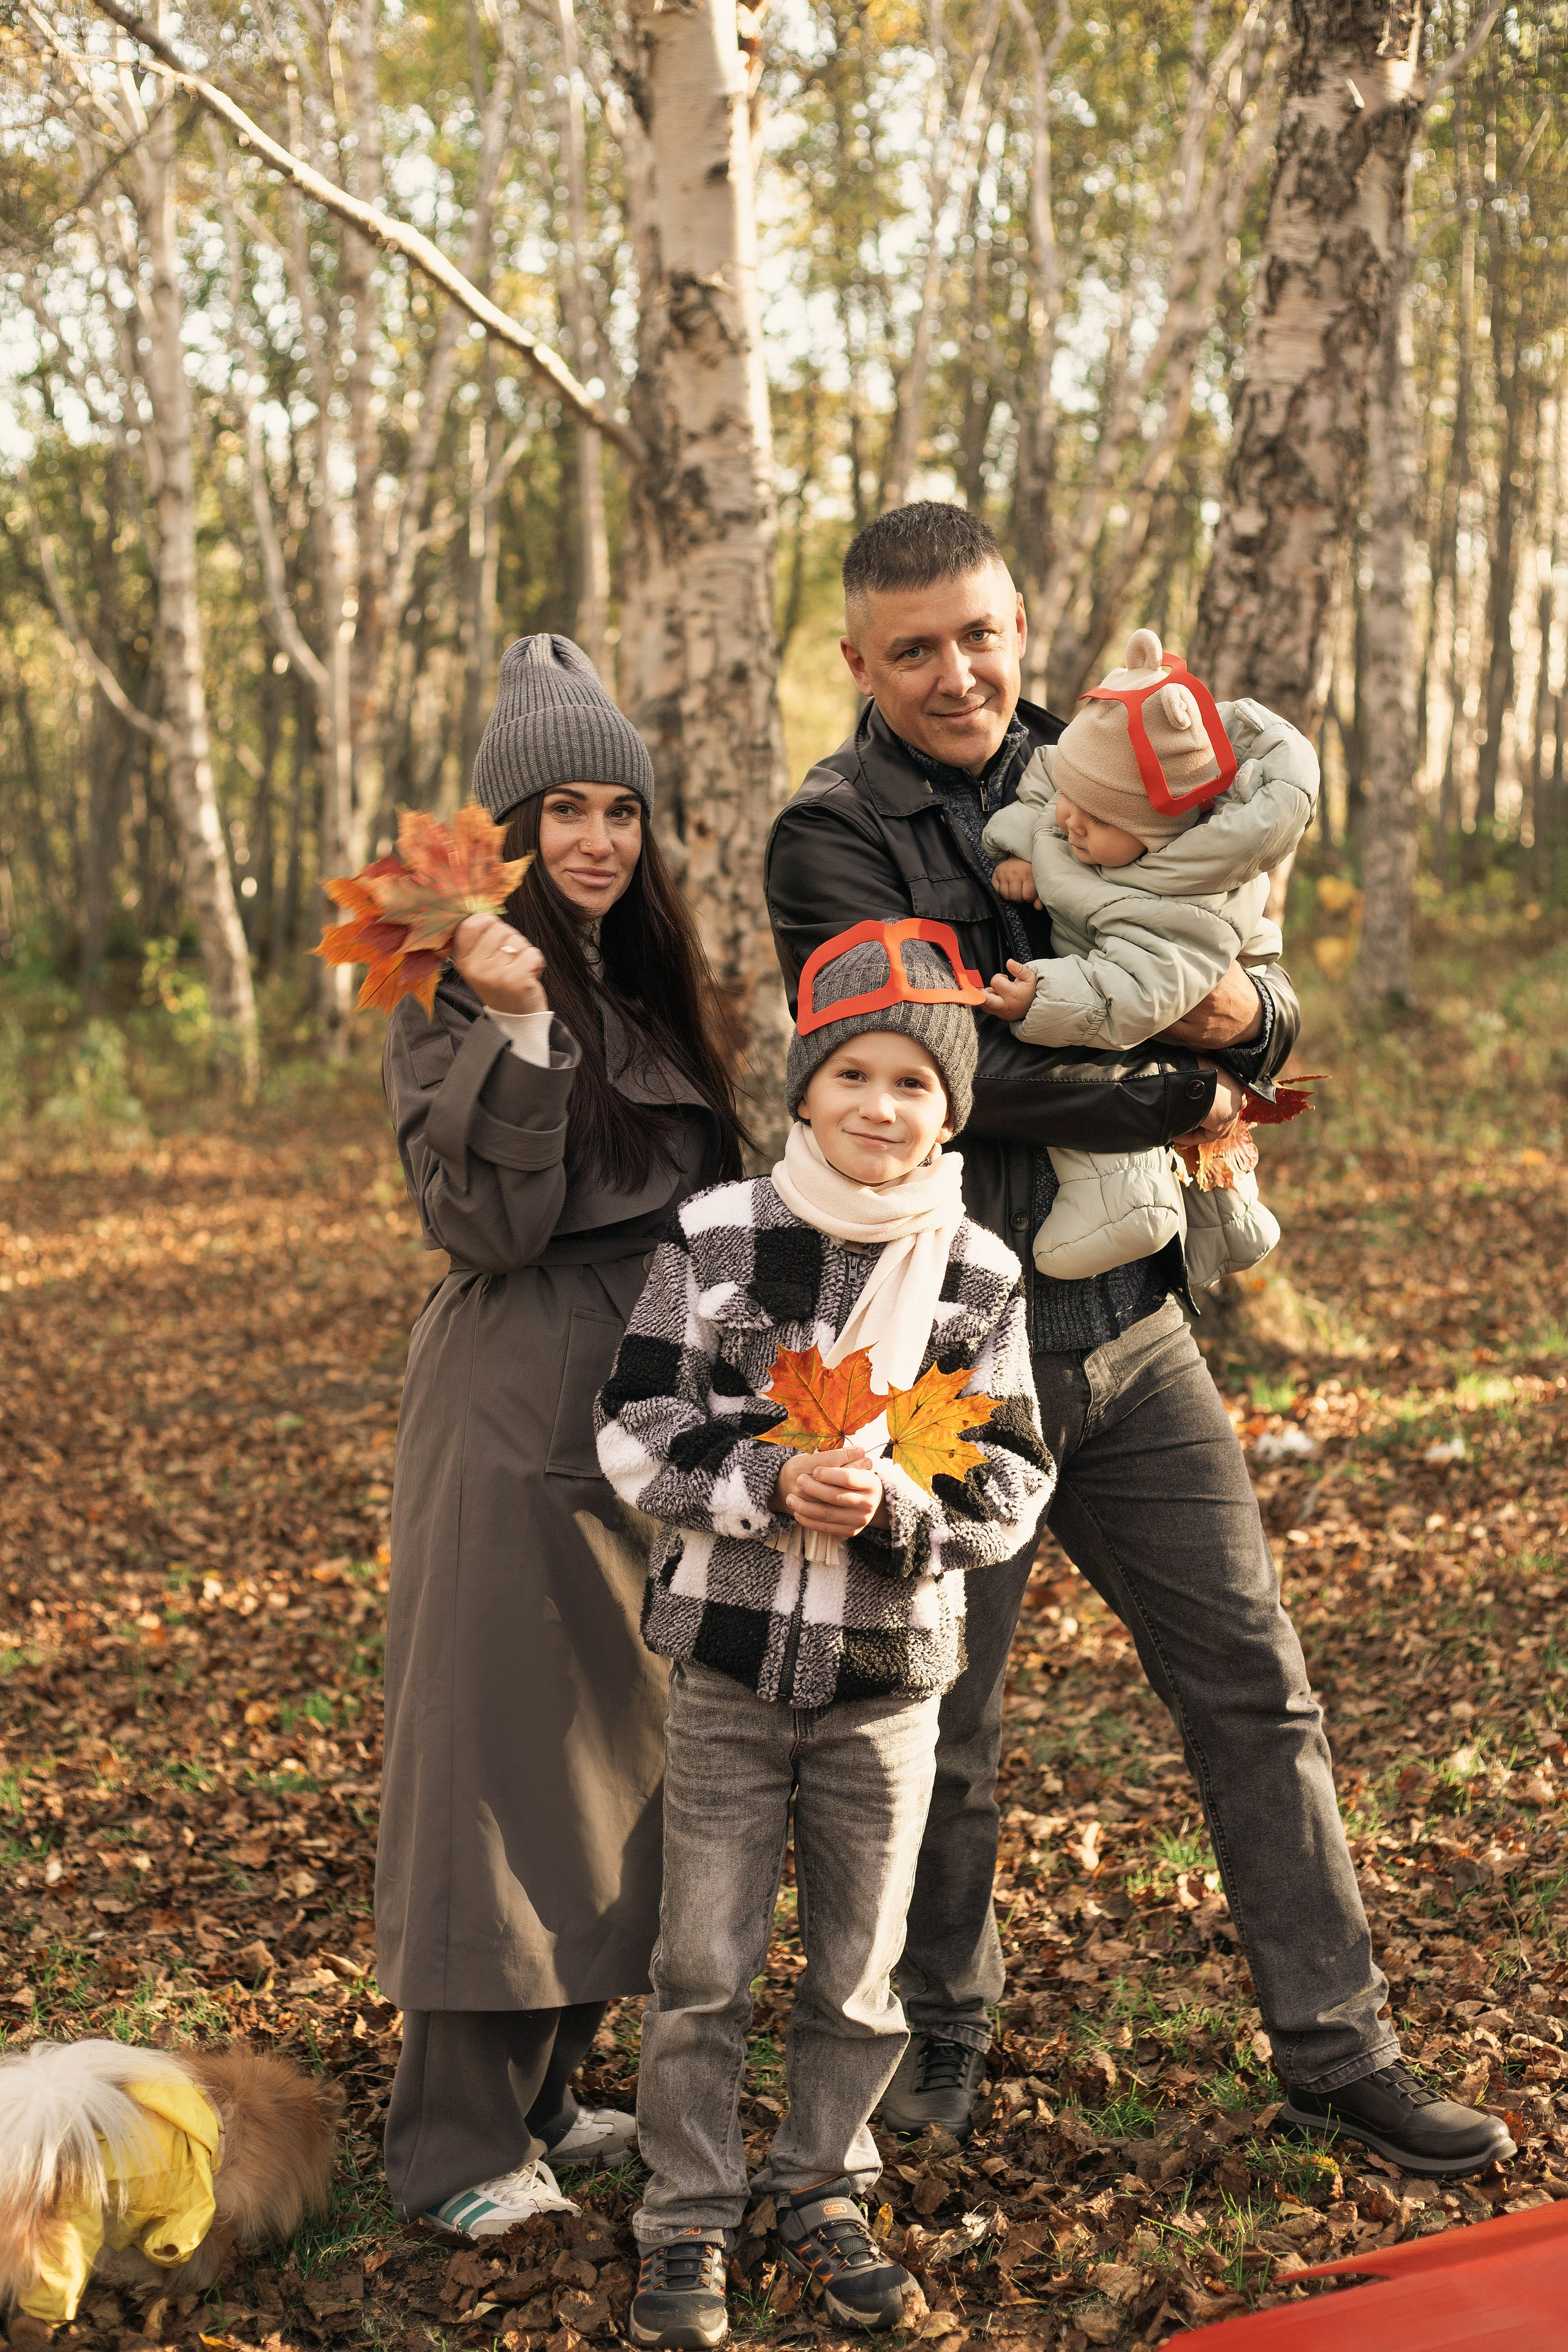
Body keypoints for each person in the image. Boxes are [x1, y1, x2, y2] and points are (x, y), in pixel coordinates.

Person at [763, 503, 1513, 2180]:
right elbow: (933, 1066)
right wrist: (1187, 1078)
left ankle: (1339, 2051)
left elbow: (1256, 965)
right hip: (944, 1352)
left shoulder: (1107, 766)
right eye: (914, 649)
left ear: (1020, 624)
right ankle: (935, 2046)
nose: (957, 676)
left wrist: (1254, 1021)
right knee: (938, 1723)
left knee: (1259, 1690)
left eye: (981, 634)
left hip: (1133, 1326)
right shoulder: (830, 836)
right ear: (857, 662)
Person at [594, 927, 1054, 2350]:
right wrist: (763, 1480)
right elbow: (633, 1422)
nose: (877, 1103)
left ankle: (823, 2181)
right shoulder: (719, 1233)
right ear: (803, 1088)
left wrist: (904, 1507)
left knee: (858, 1964)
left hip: (883, 1683)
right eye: (848, 1071)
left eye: (911, 1081)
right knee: (704, 1960)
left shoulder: (976, 1272)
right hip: (727, 1669)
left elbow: (1014, 1473)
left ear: (948, 1109)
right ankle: (685, 2206)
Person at [376, 633, 749, 2237]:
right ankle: (455, 2146)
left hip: (648, 1410)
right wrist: (521, 1030)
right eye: (558, 811)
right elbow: (490, 1224)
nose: (594, 840)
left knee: (623, 1766)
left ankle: (544, 2095)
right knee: (500, 1767)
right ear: (503, 832)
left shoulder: (638, 975)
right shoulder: (460, 979)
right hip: (520, 1397)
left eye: (620, 809)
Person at [978, 625, 1318, 1293]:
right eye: (1070, 808)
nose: (1070, 824)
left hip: (1142, 1001)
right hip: (1171, 1043)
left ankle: (1127, 1199)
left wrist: (1040, 997)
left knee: (1099, 1060)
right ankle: (1228, 1217)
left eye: (1094, 823)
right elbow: (1049, 796)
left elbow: (1124, 999)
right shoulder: (1101, 766)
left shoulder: (1180, 896)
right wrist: (1020, 850)